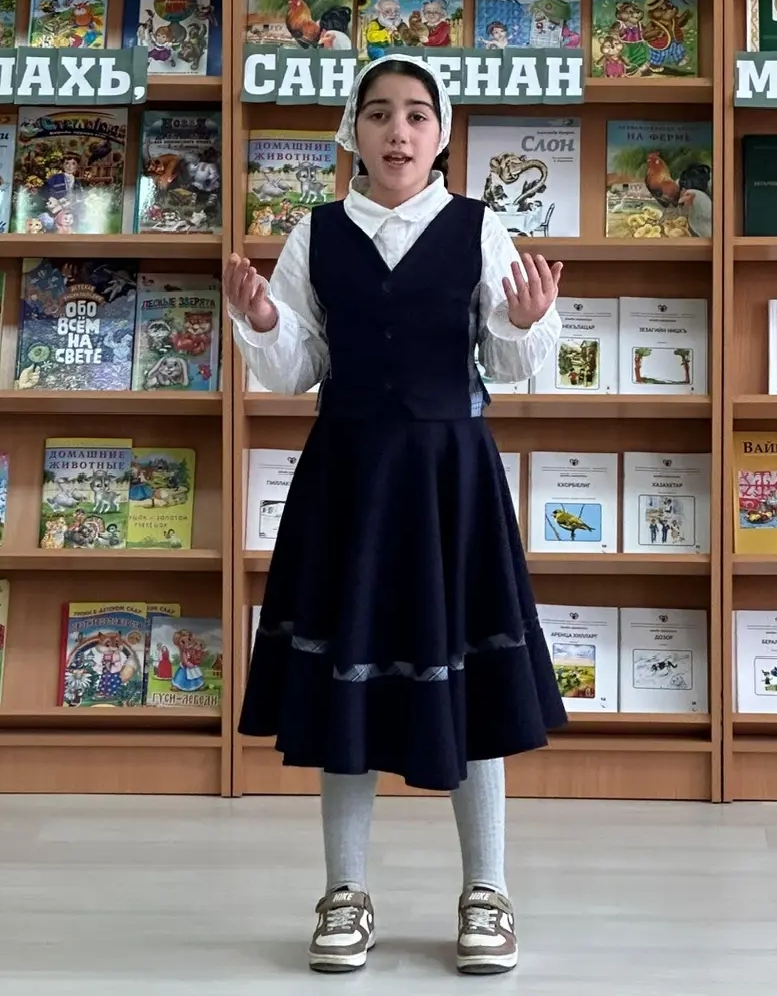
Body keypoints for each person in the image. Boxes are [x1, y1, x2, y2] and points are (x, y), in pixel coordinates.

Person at [224, 55, 566, 977]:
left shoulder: (479, 228)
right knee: (350, 682)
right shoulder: (317, 232)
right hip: (350, 481)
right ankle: (344, 892)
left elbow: (510, 362)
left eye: (417, 114)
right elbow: (297, 370)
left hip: (451, 482)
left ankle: (487, 890)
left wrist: (527, 320)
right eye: (378, 113)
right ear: (354, 131)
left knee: (471, 688)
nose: (398, 131)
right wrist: (264, 322)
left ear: (441, 134)